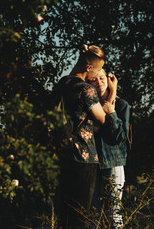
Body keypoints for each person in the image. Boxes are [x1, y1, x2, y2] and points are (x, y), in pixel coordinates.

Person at [54, 44, 117, 229]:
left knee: (65, 217)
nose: (96, 77)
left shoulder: (61, 84)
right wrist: (112, 92)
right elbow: (104, 119)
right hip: (83, 159)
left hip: (63, 157)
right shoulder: (85, 89)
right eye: (97, 71)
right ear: (89, 67)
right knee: (80, 217)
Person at [88, 69, 131, 229]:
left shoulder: (121, 105)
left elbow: (119, 137)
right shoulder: (88, 105)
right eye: (94, 79)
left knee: (114, 214)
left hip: (112, 163)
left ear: (108, 79)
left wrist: (112, 113)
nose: (98, 82)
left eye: (101, 78)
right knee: (94, 215)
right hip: (92, 164)